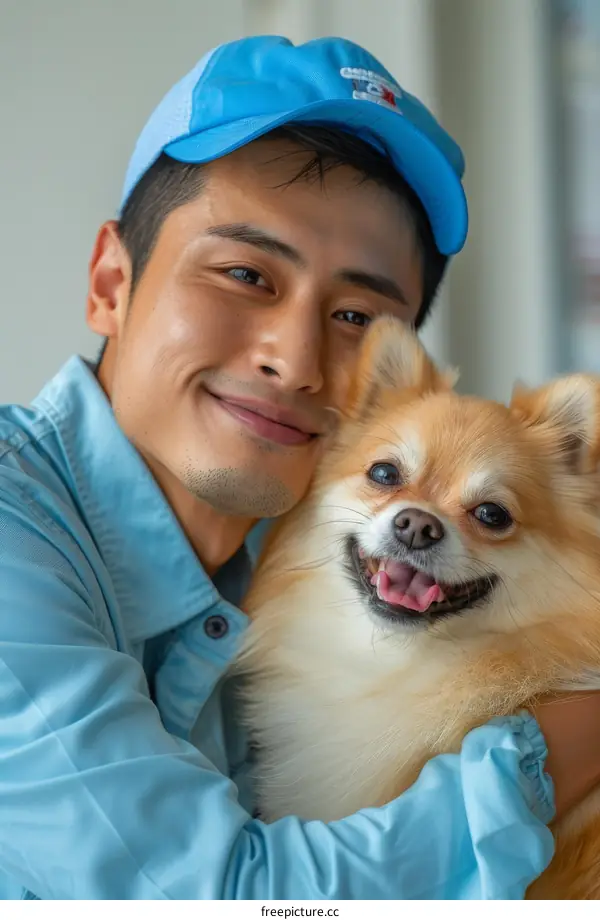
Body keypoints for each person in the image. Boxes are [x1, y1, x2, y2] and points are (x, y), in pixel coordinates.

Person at [1, 33, 599, 902]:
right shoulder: (20, 536)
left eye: (356, 315)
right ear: (109, 283)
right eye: (246, 273)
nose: (296, 358)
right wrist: (557, 753)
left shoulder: (298, 563)